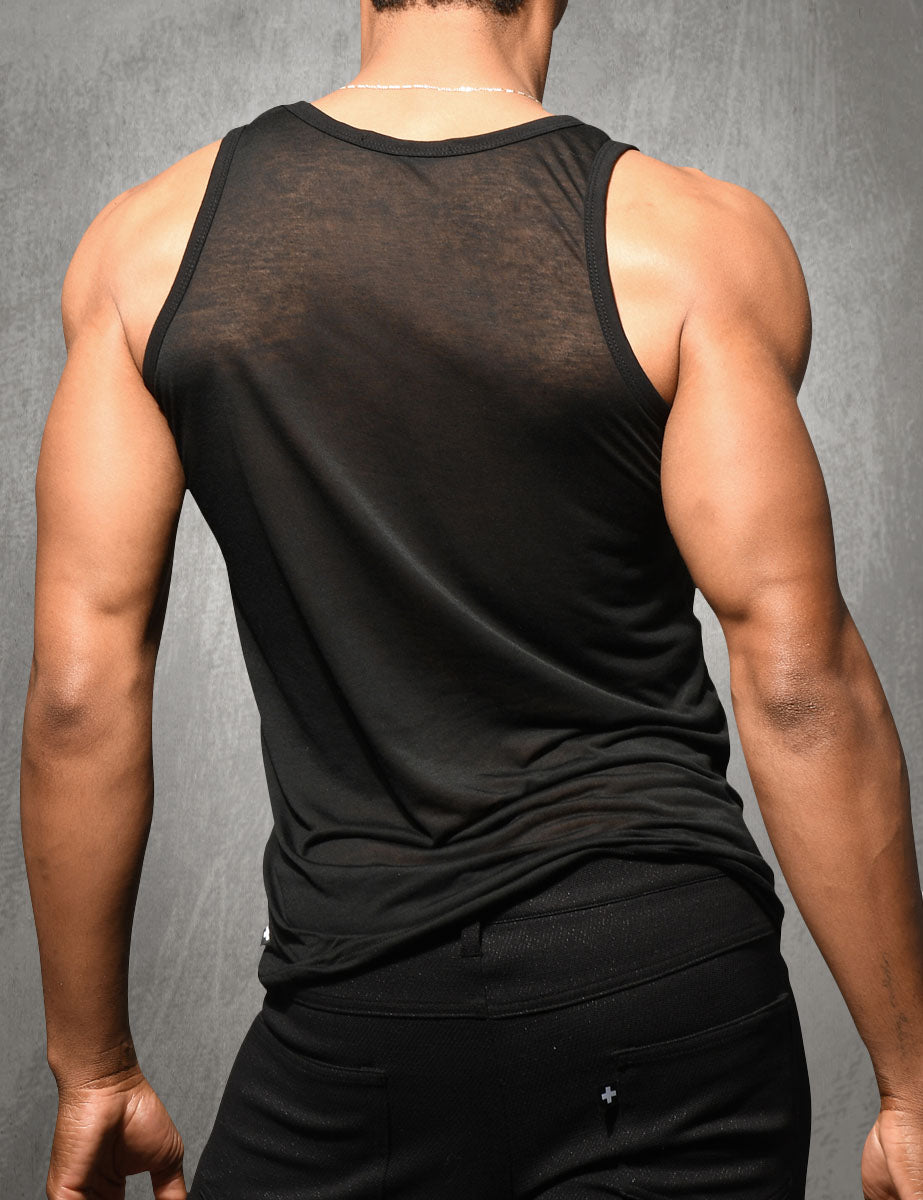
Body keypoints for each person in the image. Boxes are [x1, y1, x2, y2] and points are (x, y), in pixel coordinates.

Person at [21, 0, 923, 1196]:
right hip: (660, 983)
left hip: (360, 1002)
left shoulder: (146, 249)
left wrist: (93, 1070)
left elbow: (79, 694)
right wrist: (910, 1087)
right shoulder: (695, 245)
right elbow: (798, 684)